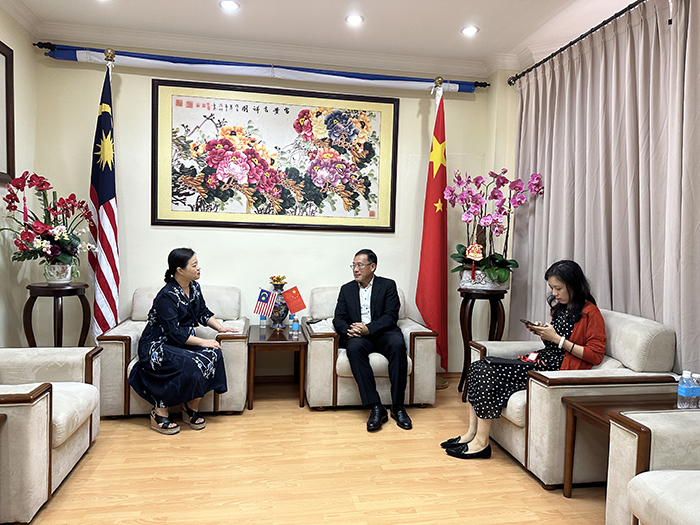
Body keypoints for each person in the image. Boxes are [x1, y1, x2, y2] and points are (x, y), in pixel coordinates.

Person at [441, 260, 606, 459]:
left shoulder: (591, 313)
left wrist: (558, 339)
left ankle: (481, 444)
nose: (554, 293)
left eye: (558, 288)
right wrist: (543, 333)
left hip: (553, 370)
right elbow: (553, 344)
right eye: (552, 288)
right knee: (477, 366)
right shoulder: (561, 308)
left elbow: (595, 355)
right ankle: (471, 434)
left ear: (573, 285)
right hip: (542, 360)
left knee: (485, 370)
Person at [128, 248, 238, 435]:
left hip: (181, 343)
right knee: (193, 362)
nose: (199, 268)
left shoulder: (194, 287)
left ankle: (190, 407)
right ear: (180, 270)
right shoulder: (166, 296)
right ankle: (159, 412)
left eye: (197, 263)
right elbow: (173, 332)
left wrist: (220, 328)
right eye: (194, 265)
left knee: (214, 354)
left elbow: (202, 312)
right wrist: (202, 342)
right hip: (157, 345)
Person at [333, 249, 412, 432]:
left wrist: (369, 328)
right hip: (359, 336)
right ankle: (376, 407)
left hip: (384, 332)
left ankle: (398, 407)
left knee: (398, 345)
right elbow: (339, 318)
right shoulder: (346, 289)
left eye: (360, 265)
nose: (355, 269)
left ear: (373, 266)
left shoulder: (388, 285)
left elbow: (391, 315)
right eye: (353, 265)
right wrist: (349, 329)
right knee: (354, 348)